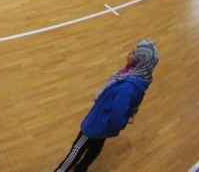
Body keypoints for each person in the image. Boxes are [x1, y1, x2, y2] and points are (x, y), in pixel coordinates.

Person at [55, 40, 160, 172]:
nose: (129, 54)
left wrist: (111, 123)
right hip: (103, 126)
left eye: (134, 53)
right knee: (96, 146)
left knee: (76, 150)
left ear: (140, 61)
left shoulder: (126, 88)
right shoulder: (139, 78)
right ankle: (81, 168)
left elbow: (118, 114)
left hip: (96, 124)